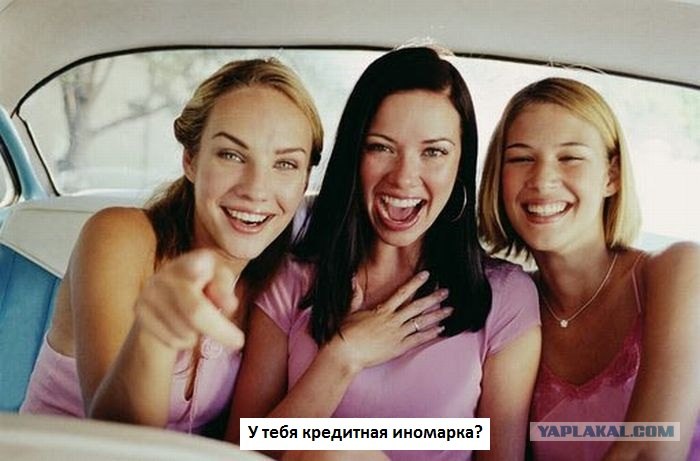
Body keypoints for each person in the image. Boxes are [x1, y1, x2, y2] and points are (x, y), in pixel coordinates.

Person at [228, 47, 542, 461]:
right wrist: (342, 358)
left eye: (434, 152)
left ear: (460, 163)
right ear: (354, 155)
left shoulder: (505, 296)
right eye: (381, 147)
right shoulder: (292, 276)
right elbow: (239, 453)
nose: (404, 178)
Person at [20, 58, 324, 436]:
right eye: (231, 155)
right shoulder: (119, 237)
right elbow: (118, 437)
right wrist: (155, 335)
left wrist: (343, 364)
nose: (256, 189)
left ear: (305, 181)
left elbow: (253, 441)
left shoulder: (275, 286)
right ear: (191, 160)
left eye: (286, 164)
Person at [478, 77, 700, 460]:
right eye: (521, 158)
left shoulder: (677, 271)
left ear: (611, 176)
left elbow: (649, 450)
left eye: (570, 157)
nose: (542, 179)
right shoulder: (508, 306)